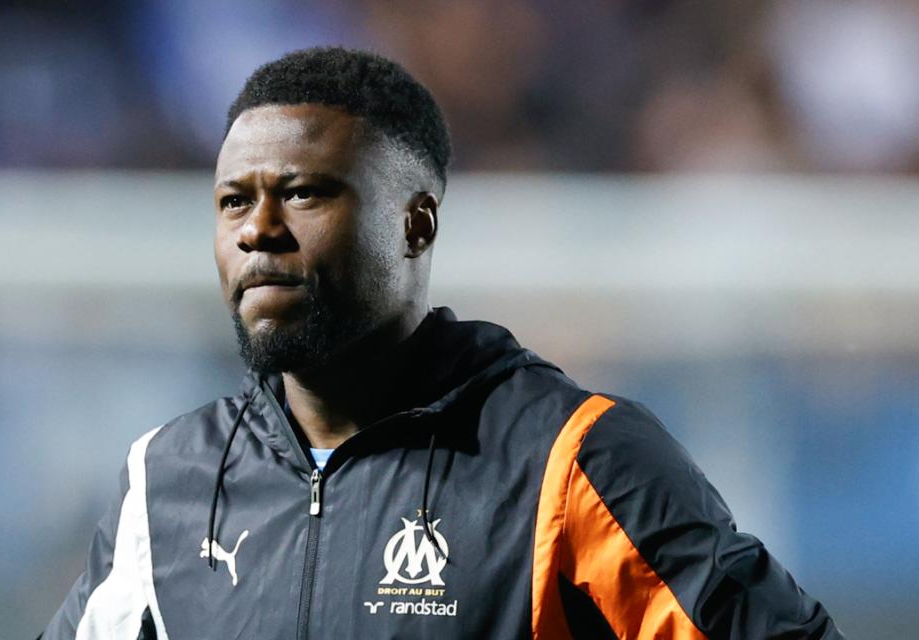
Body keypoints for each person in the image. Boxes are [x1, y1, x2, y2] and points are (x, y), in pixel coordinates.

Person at [41, 47, 842, 640]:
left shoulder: (570, 462)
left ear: (415, 223)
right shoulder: (166, 482)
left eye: (304, 193)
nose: (258, 230)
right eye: (232, 202)